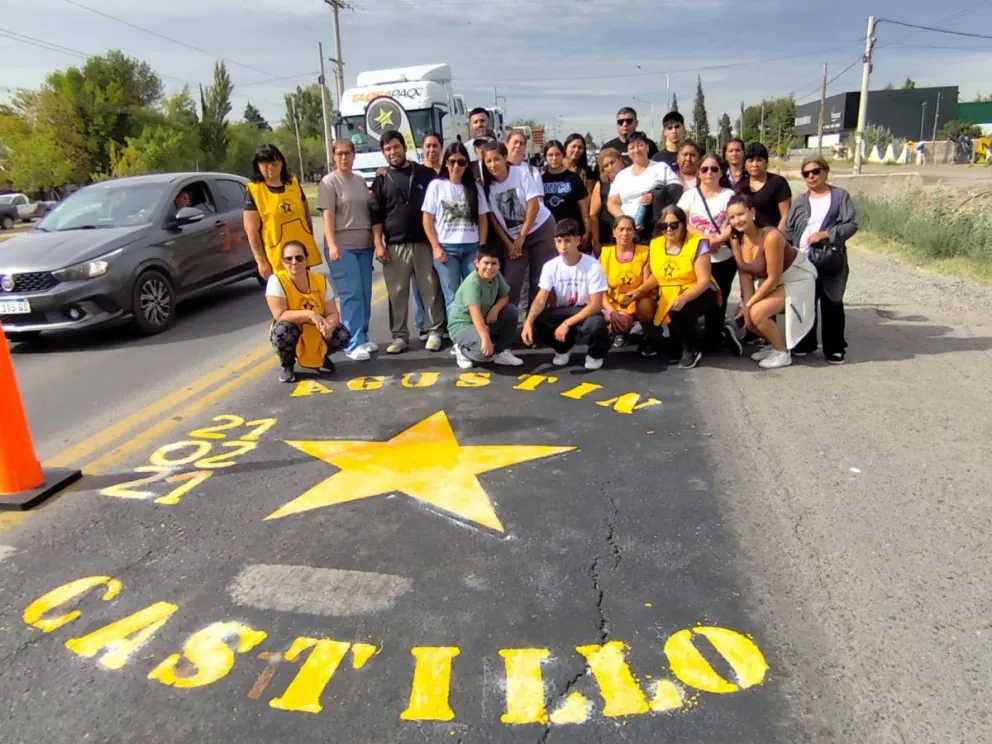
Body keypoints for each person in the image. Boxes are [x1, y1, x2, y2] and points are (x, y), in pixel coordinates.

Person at [370, 129, 446, 354]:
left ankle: (435, 331)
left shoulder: (425, 174)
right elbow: (376, 215)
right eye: (388, 149)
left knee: (430, 289)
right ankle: (400, 336)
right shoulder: (382, 180)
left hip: (424, 243)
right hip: (394, 245)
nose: (393, 152)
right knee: (397, 293)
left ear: (404, 147)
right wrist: (378, 244)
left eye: (396, 147)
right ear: (384, 153)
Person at [728, 193, 817, 370]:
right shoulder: (736, 238)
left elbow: (773, 278)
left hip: (795, 279)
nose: (737, 220)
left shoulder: (772, 236)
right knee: (744, 316)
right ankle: (771, 344)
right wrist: (746, 303)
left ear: (752, 212)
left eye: (741, 214)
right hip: (773, 281)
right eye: (731, 217)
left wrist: (750, 305)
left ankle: (782, 352)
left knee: (756, 312)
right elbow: (744, 273)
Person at [784, 156, 858, 364]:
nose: (811, 177)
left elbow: (851, 224)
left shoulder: (840, 196)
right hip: (804, 260)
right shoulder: (799, 201)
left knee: (832, 302)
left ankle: (834, 347)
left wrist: (826, 234)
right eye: (806, 173)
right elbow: (788, 230)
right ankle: (806, 343)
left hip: (830, 258)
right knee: (806, 302)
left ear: (825, 172)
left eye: (815, 172)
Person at [623, 206, 718, 369]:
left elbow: (703, 281)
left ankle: (691, 350)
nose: (668, 230)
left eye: (674, 225)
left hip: (698, 291)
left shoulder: (698, 244)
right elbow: (658, 276)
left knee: (679, 309)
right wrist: (638, 291)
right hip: (668, 292)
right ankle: (660, 339)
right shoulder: (656, 244)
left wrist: (684, 297)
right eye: (663, 226)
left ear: (683, 224)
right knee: (671, 343)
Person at [521, 218, 611, 370]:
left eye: (568, 241)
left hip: (586, 311)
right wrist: (528, 322)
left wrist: (566, 324)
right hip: (563, 311)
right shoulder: (550, 266)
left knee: (597, 324)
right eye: (559, 241)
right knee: (539, 320)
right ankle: (563, 348)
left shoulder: (593, 266)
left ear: (578, 240)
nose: (563, 247)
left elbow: (596, 305)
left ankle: (596, 353)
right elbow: (540, 299)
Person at [677, 152, 742, 356]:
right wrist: (706, 240)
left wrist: (719, 240)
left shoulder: (729, 196)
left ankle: (717, 334)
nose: (709, 173)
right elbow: (682, 222)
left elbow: (735, 222)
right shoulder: (690, 195)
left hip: (723, 257)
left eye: (714, 169)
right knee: (698, 299)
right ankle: (697, 336)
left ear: (721, 172)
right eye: (704, 169)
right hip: (697, 258)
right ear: (698, 172)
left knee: (718, 302)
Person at [317, 139, 376, 361]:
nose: (344, 157)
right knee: (351, 295)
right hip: (342, 247)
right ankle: (351, 343)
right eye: (339, 154)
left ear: (354, 155)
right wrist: (332, 245)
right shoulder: (328, 183)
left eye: (348, 153)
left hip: (364, 245)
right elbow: (328, 216)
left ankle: (362, 335)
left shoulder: (360, 181)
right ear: (333, 156)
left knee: (364, 293)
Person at [481, 141, 557, 309]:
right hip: (513, 238)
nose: (493, 165)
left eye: (497, 159)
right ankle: (509, 322)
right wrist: (510, 244)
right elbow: (494, 220)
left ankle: (537, 322)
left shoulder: (521, 173)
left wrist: (521, 237)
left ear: (505, 158)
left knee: (539, 279)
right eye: (488, 161)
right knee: (511, 282)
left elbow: (534, 205)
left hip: (540, 229)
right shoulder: (487, 186)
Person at [266, 241, 350, 384]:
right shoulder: (277, 280)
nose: (294, 262)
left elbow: (332, 313)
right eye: (289, 258)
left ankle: (320, 357)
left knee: (342, 334)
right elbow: (279, 315)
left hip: (315, 329)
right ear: (282, 261)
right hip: (293, 329)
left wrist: (329, 326)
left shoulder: (320, 280)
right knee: (282, 332)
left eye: (299, 258)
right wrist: (310, 314)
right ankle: (287, 364)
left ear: (306, 259)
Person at [422, 142, 490, 313]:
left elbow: (483, 220)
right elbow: (427, 220)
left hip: (471, 248)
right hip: (446, 248)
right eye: (452, 161)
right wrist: (436, 247)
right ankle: (458, 335)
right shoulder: (436, 186)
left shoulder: (475, 188)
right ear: (446, 162)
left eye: (461, 162)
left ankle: (475, 333)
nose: (456, 166)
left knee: (474, 293)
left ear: (467, 164)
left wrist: (481, 248)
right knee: (452, 295)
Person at [244, 144, 321, 281]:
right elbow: (252, 231)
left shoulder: (294, 184)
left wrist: (310, 241)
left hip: (301, 254)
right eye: (265, 164)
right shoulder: (254, 191)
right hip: (277, 258)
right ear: (258, 166)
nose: (270, 168)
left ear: (281, 163)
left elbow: (306, 216)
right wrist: (261, 261)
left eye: (274, 163)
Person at [448, 244, 524, 370]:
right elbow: (475, 313)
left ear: (499, 265)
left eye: (494, 263)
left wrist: (495, 309)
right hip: (463, 325)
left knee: (511, 311)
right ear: (476, 263)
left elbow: (504, 297)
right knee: (484, 355)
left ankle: (502, 351)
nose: (489, 267)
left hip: (484, 320)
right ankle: (460, 349)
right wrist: (485, 338)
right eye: (486, 263)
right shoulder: (472, 283)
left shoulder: (496, 276)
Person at [606, 132, 679, 244]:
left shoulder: (661, 167)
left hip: (655, 228)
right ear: (628, 152)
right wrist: (627, 222)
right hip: (629, 234)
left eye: (640, 145)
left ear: (647, 147)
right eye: (632, 147)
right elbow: (612, 203)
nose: (636, 150)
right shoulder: (622, 175)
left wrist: (655, 196)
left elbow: (676, 190)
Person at [599, 215, 654, 348]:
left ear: (634, 232)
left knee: (645, 305)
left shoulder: (645, 252)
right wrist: (612, 312)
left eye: (629, 229)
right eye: (621, 229)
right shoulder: (605, 254)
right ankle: (622, 332)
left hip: (638, 298)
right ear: (614, 232)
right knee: (619, 324)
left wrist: (634, 294)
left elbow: (647, 285)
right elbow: (600, 290)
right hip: (615, 303)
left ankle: (649, 335)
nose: (625, 233)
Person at [411, 131, 444, 339]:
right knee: (422, 283)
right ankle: (423, 323)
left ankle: (445, 323)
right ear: (422, 148)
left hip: (447, 235)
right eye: (428, 146)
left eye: (435, 146)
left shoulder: (449, 170)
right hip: (422, 236)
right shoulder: (416, 173)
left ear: (441, 147)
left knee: (443, 284)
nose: (431, 150)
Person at [541, 140, 593, 252]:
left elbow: (584, 208)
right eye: (550, 155)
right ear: (545, 157)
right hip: (550, 233)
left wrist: (587, 231)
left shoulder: (573, 178)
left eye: (557, 154)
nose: (554, 158)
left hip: (572, 232)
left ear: (563, 155)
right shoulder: (540, 180)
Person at [737, 142, 792, 230]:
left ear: (766, 162)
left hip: (772, 237)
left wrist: (777, 237)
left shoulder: (778, 182)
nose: (755, 164)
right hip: (748, 238)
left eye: (759, 160)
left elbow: (786, 215)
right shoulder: (740, 186)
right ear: (745, 164)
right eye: (750, 161)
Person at [589, 147, 623, 256]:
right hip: (607, 238)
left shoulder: (633, 180)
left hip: (627, 236)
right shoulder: (601, 185)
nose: (610, 167)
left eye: (612, 162)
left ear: (621, 161)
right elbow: (593, 215)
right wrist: (596, 241)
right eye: (606, 166)